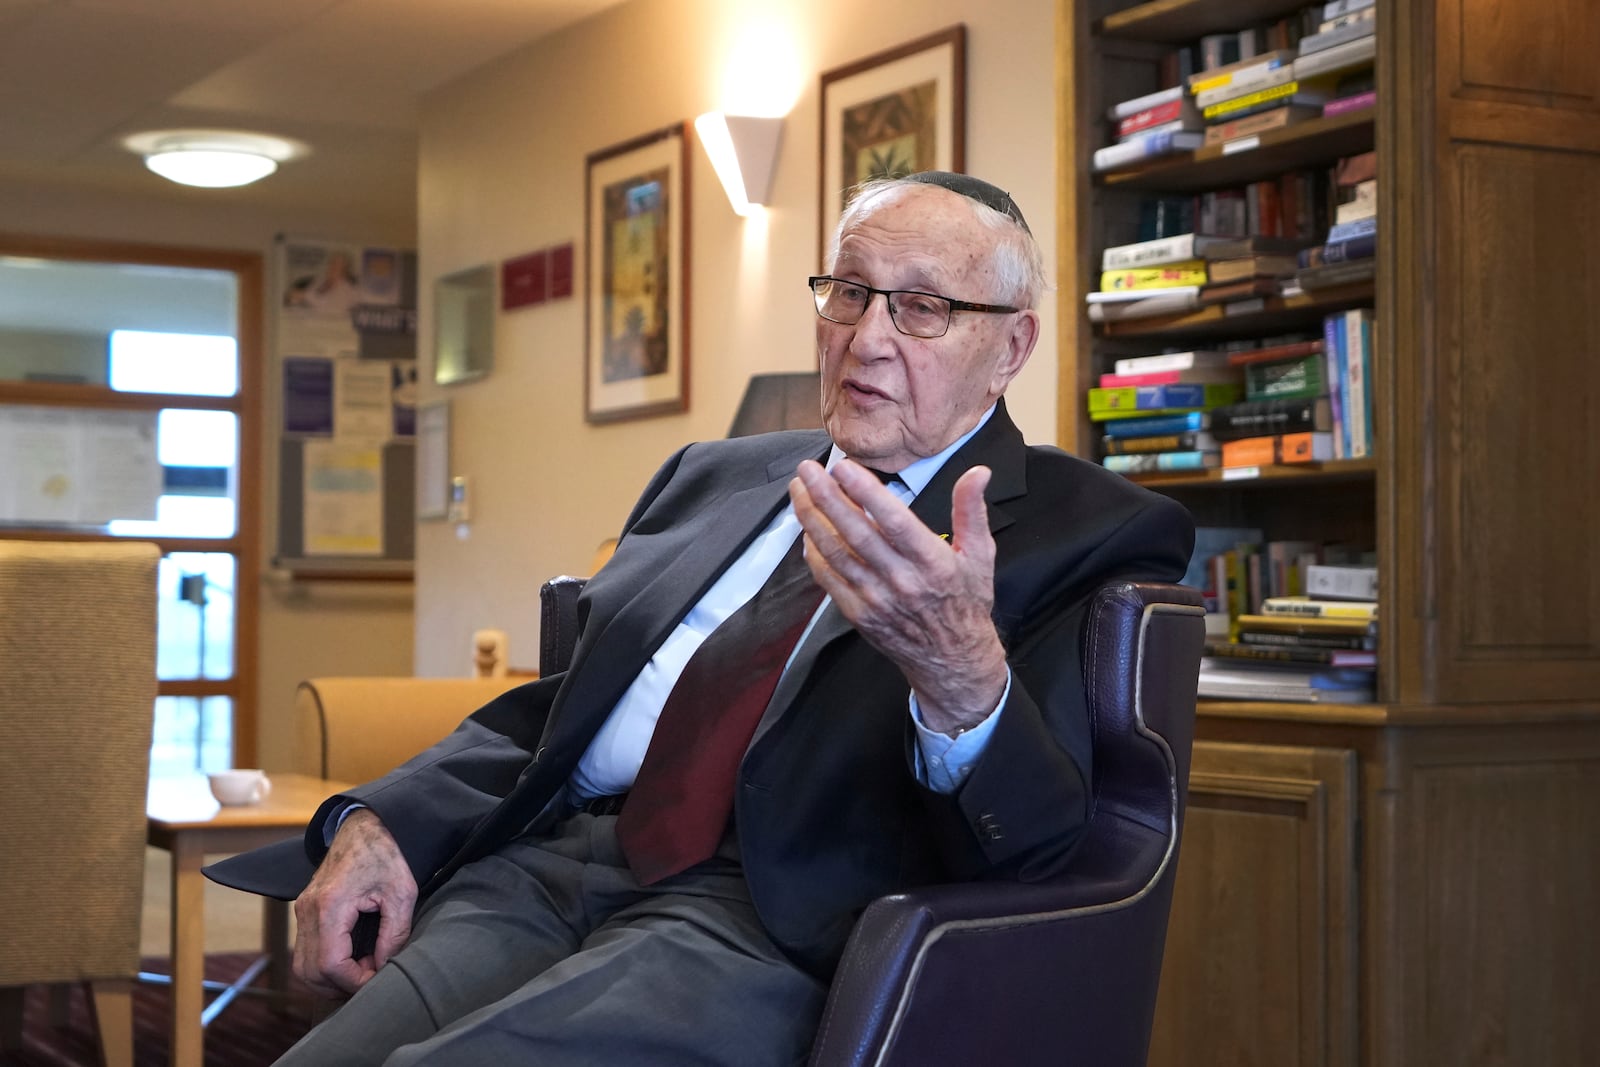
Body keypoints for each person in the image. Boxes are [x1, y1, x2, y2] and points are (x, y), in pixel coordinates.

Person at [226, 171, 1194, 1066]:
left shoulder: (1092, 529)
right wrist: (381, 820)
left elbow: (1040, 842)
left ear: (1010, 347)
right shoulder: (712, 476)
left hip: (765, 910)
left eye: (924, 308)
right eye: (848, 292)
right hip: (548, 864)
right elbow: (560, 709)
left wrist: (956, 668)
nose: (865, 337)